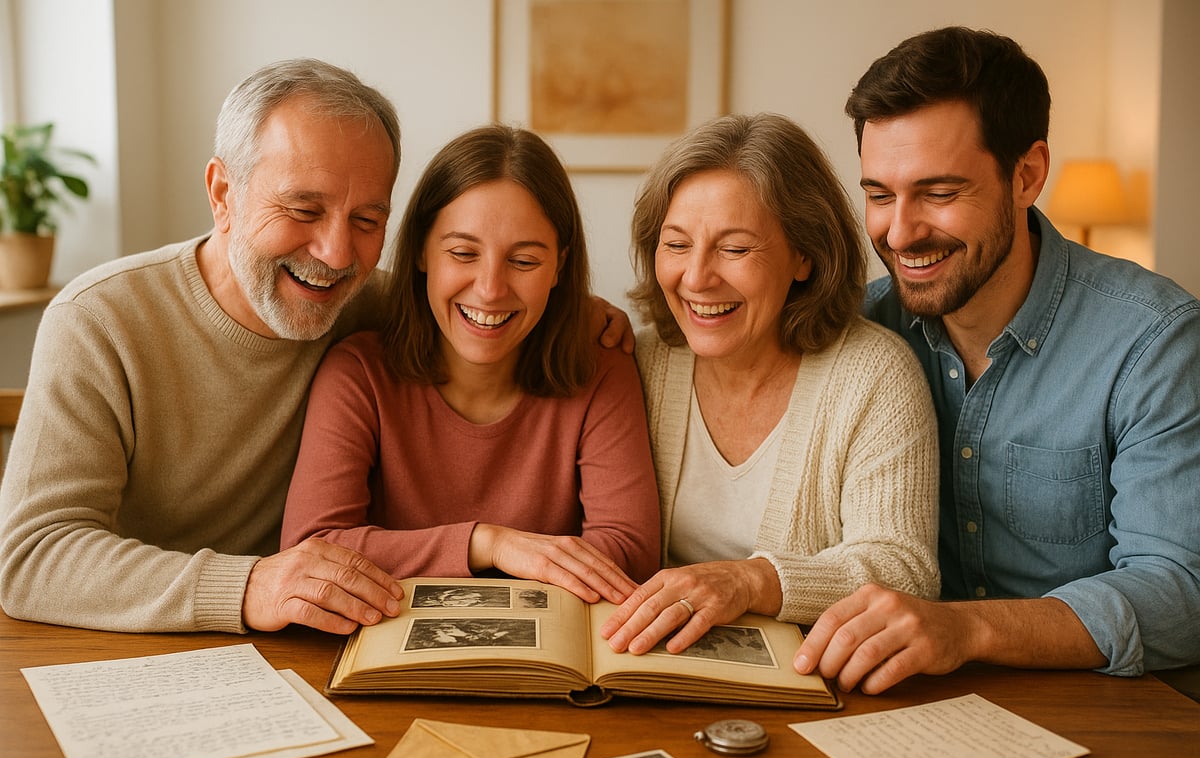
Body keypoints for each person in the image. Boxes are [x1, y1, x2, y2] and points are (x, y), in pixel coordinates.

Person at [0, 60, 631, 636]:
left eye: (366, 221)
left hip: (298, 644)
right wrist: (249, 584)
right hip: (126, 647)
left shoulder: (370, 304)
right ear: (223, 194)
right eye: (304, 208)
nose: (335, 254)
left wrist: (579, 312)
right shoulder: (99, 321)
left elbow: (477, 300)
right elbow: (32, 557)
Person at [794, 26, 1200, 694]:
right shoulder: (857, 329)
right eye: (878, 194)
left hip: (1102, 713)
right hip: (898, 701)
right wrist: (596, 326)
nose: (899, 232)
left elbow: (1180, 595)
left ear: (1028, 175)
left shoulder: (1153, 342)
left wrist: (966, 629)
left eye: (940, 193)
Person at [601, 113, 940, 656]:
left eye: (735, 249)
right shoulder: (635, 362)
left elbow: (904, 570)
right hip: (644, 665)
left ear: (804, 255)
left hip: (809, 678)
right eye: (677, 244)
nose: (696, 278)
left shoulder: (874, 373)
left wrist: (749, 581)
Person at [280, 125, 659, 604]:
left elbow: (631, 553)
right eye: (463, 253)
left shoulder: (601, 364)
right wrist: (488, 544)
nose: (490, 289)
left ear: (560, 266)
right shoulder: (358, 373)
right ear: (420, 249)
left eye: (524, 262)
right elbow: (310, 552)